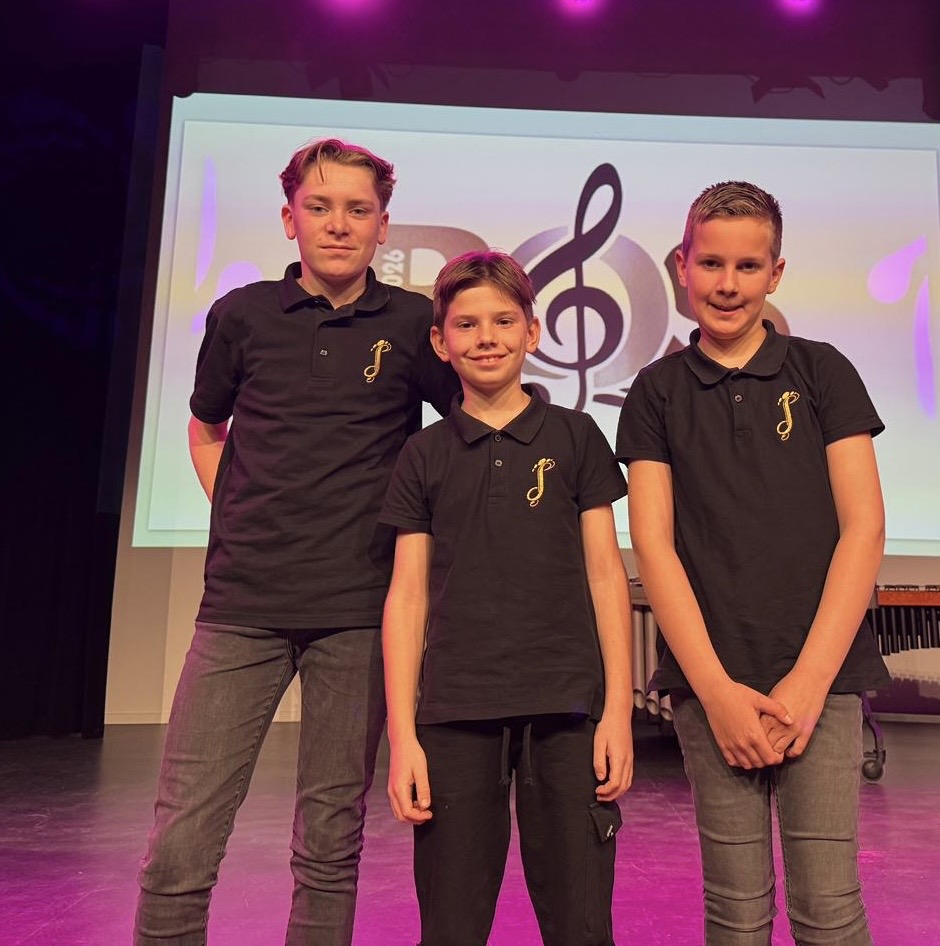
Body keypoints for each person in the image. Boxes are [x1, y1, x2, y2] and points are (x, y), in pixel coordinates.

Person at [134, 138, 460, 945]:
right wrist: (239, 514)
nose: (338, 224)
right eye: (319, 207)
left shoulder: (413, 323)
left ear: (383, 226)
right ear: (289, 220)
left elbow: (465, 432)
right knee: (181, 840)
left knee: (329, 842)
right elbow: (206, 428)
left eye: (357, 210)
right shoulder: (242, 315)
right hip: (240, 608)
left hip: (359, 613)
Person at [617, 181, 890, 945]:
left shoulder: (821, 371)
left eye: (747, 266)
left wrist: (806, 684)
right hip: (711, 689)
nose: (727, 283)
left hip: (822, 682)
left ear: (775, 273)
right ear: (681, 265)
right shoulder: (655, 392)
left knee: (828, 908)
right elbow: (654, 547)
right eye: (710, 263)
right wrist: (715, 692)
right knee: (734, 913)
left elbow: (863, 528)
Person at [379, 251, 634, 946]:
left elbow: (605, 575)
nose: (485, 337)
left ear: (532, 331)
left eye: (502, 321)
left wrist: (616, 711)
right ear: (440, 342)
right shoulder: (423, 454)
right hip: (455, 713)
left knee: (582, 925)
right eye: (466, 325)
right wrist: (403, 737)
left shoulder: (576, 437)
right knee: (451, 926)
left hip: (568, 710)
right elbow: (407, 597)